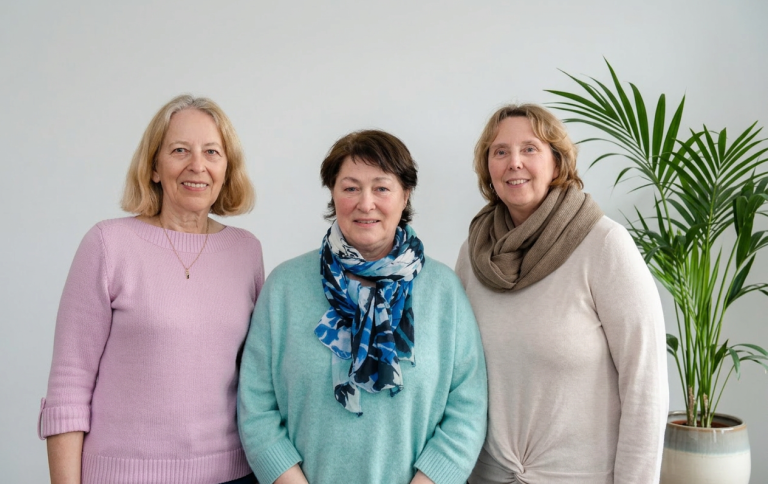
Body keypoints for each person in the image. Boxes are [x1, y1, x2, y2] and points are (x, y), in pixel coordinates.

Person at [237, 130, 487, 484]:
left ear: (405, 195)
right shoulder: (284, 287)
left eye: (382, 188)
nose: (365, 203)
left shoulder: (445, 291)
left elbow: (468, 406)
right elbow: (256, 404)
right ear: (333, 194)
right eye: (350, 187)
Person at [39, 95, 263, 484]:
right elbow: (69, 384)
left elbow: (257, 377)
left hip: (234, 475)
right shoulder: (108, 244)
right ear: (155, 166)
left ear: (227, 168)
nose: (198, 165)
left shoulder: (246, 251)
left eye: (212, 151)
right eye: (180, 150)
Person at [455, 104, 668, 484]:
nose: (513, 162)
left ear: (558, 161)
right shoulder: (474, 253)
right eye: (500, 151)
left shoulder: (604, 245)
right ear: (487, 168)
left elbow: (645, 386)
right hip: (483, 475)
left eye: (530, 149)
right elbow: (457, 376)